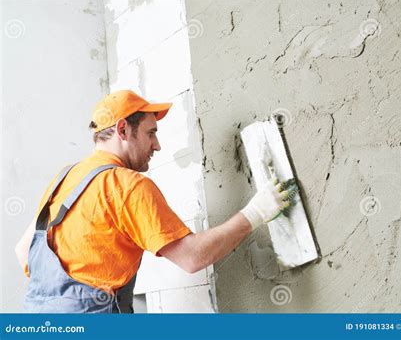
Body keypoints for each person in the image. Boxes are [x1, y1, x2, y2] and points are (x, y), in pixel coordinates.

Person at [14, 90, 291, 313]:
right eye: (151, 133)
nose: (157, 145)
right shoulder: (127, 185)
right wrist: (255, 212)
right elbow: (193, 257)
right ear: (123, 130)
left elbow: (23, 251)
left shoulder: (65, 177)